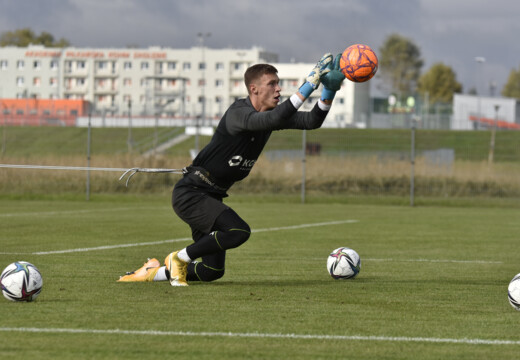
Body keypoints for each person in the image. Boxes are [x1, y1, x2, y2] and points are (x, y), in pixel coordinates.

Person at [118, 52, 346, 286]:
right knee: (238, 231)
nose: (278, 89)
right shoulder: (239, 113)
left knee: (211, 271)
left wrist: (329, 90)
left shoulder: (271, 117)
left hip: (210, 196)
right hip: (192, 194)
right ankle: (178, 258)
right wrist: (308, 85)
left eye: (278, 84)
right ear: (254, 88)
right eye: (272, 84)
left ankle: (151, 272)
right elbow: (271, 120)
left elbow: (311, 121)